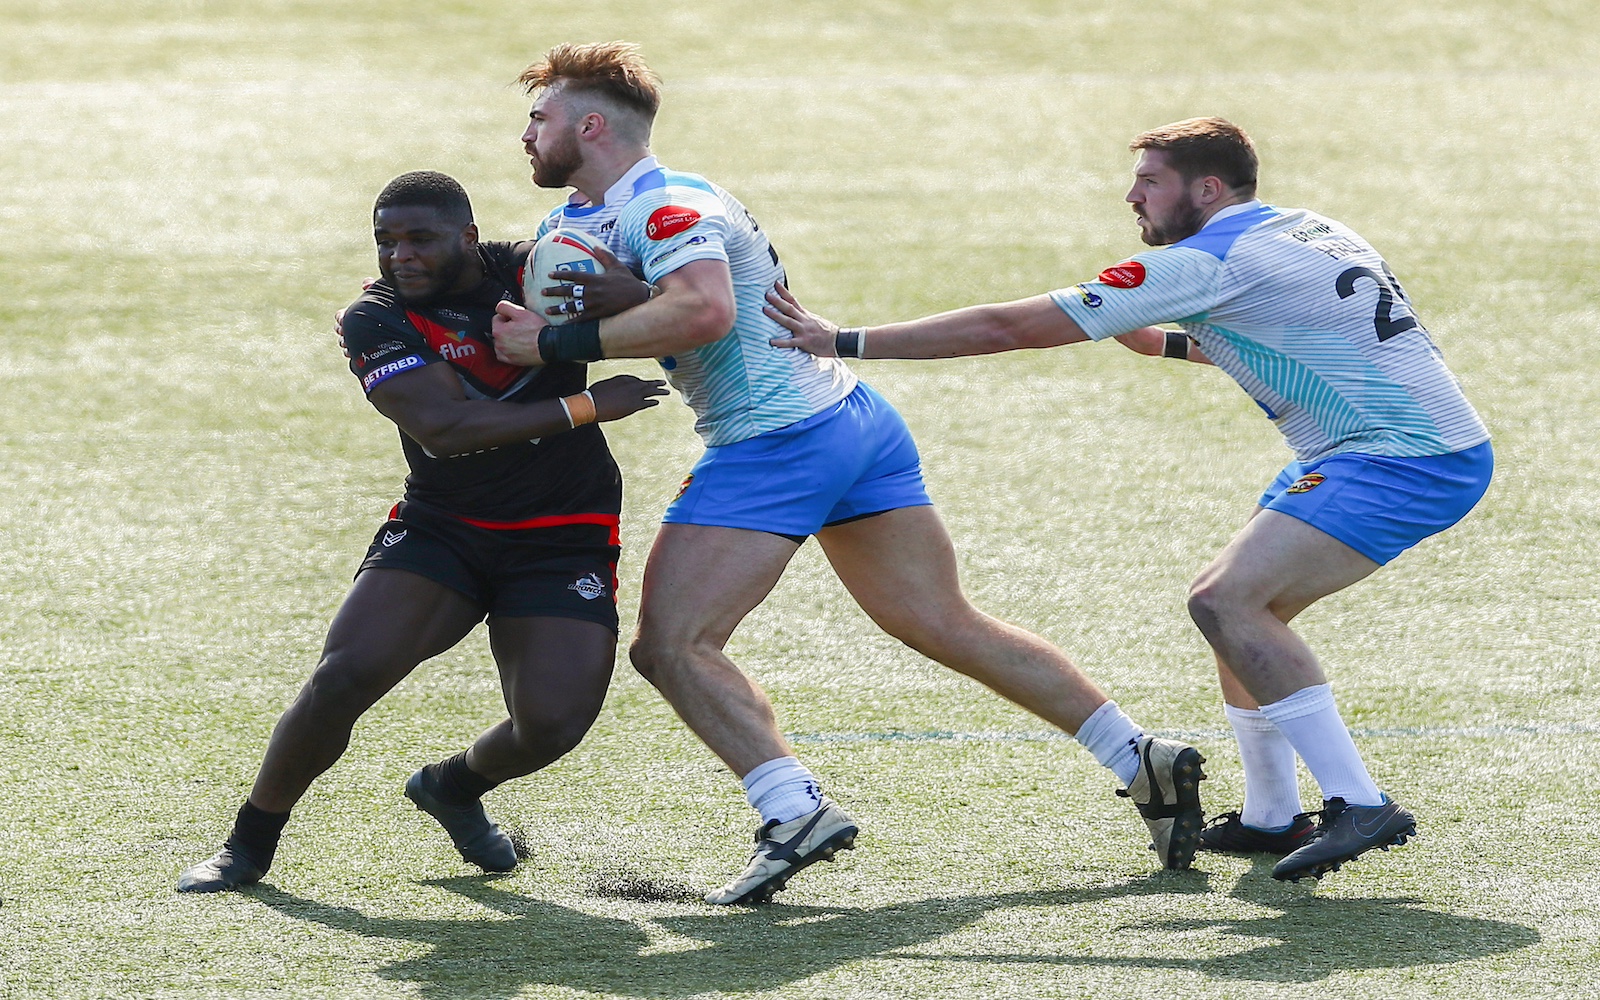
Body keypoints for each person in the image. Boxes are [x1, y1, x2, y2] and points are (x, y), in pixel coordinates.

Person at [488, 42, 1208, 906]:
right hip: (850, 422)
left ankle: (792, 809)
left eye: (540, 118)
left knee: (672, 645)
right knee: (942, 620)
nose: (526, 134)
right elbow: (655, 298)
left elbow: (706, 311)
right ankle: (1139, 757)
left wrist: (556, 342)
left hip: (778, 439)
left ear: (591, 127)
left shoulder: (666, 206)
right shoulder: (602, 211)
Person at [765, 117, 1493, 883]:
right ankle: (1273, 815)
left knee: (1225, 601)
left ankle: (1360, 802)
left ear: (1206, 189)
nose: (1131, 196)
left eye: (1150, 181)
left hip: (1400, 460)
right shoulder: (1305, 228)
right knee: (1243, 613)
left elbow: (1009, 326)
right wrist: (1167, 342)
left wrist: (843, 341)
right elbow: (1296, 330)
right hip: (1393, 448)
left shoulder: (1202, 261)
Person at [176, 171, 667, 892]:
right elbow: (445, 429)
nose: (398, 256)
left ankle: (452, 787)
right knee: (343, 677)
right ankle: (247, 844)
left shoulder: (530, 268)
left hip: (563, 534)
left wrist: (631, 293)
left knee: (552, 725)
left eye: (419, 239)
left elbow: (662, 303)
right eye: (385, 241)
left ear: (467, 237)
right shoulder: (374, 318)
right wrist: (587, 405)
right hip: (447, 527)